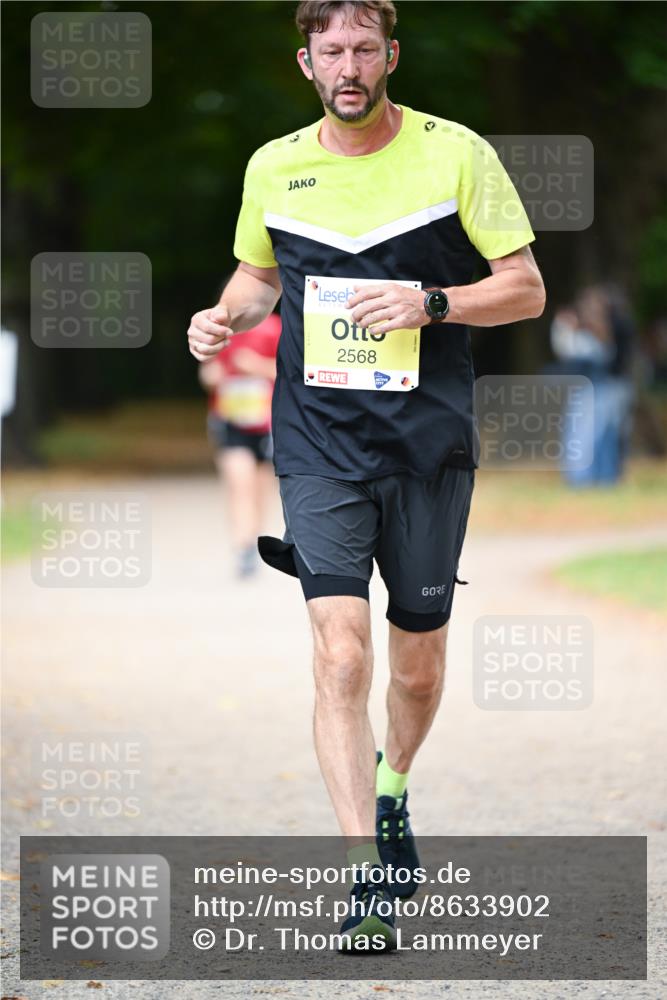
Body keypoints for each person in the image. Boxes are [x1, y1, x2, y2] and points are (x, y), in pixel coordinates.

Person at [188, 0, 545, 951]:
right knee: (341, 654)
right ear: (305, 62)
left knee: (416, 668)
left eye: (362, 48)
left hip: (428, 443)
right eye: (329, 51)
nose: (347, 65)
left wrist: (431, 300)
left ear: (391, 54)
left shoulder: (454, 153)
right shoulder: (274, 164)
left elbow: (524, 286)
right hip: (316, 441)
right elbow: (256, 277)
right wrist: (223, 315)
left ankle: (392, 791)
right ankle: (362, 881)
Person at [198, 311, 281, 576]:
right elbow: (207, 373)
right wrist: (214, 375)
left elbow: (291, 374)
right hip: (230, 420)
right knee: (239, 483)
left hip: (267, 422)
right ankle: (243, 545)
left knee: (259, 488)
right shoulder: (221, 330)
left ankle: (254, 537)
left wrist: (255, 366)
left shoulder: (276, 328)